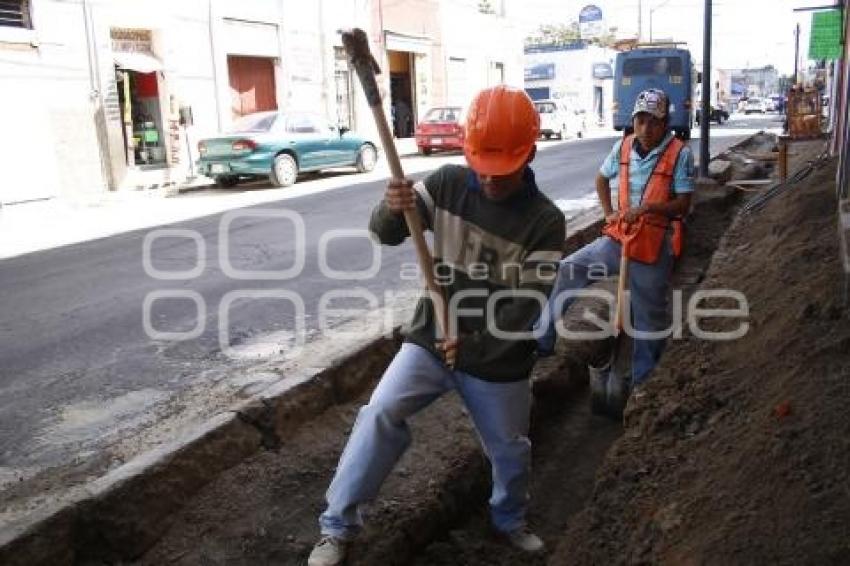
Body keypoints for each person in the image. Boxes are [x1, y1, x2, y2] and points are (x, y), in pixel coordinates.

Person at [307, 85, 566, 566]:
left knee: (509, 450)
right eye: (481, 165)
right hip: (431, 339)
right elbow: (384, 234)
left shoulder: (545, 221)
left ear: (529, 154)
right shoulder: (447, 184)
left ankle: (509, 520)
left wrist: (471, 345)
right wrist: (392, 206)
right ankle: (337, 528)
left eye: (501, 170)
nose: (488, 179)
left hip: (499, 358)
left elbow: (525, 307)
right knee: (379, 412)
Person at [534, 88, 694, 394]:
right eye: (640, 120)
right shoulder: (623, 146)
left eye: (654, 122)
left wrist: (648, 209)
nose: (646, 128)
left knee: (648, 318)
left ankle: (641, 385)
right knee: (569, 268)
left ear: (665, 124)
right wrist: (609, 213)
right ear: (633, 121)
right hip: (619, 238)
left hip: (651, 245)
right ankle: (542, 338)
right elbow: (601, 178)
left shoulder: (679, 154)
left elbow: (684, 204)